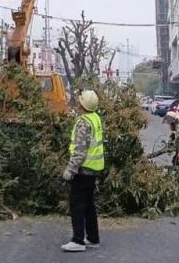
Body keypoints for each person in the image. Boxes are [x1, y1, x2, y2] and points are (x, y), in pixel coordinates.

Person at [61, 90, 104, 252]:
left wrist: (70, 170)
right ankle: (93, 238)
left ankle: (78, 240)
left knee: (77, 204)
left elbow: (80, 150)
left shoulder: (83, 122)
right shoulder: (95, 118)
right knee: (88, 205)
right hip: (93, 169)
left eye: (79, 102)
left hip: (83, 169)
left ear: (82, 105)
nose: (77, 103)